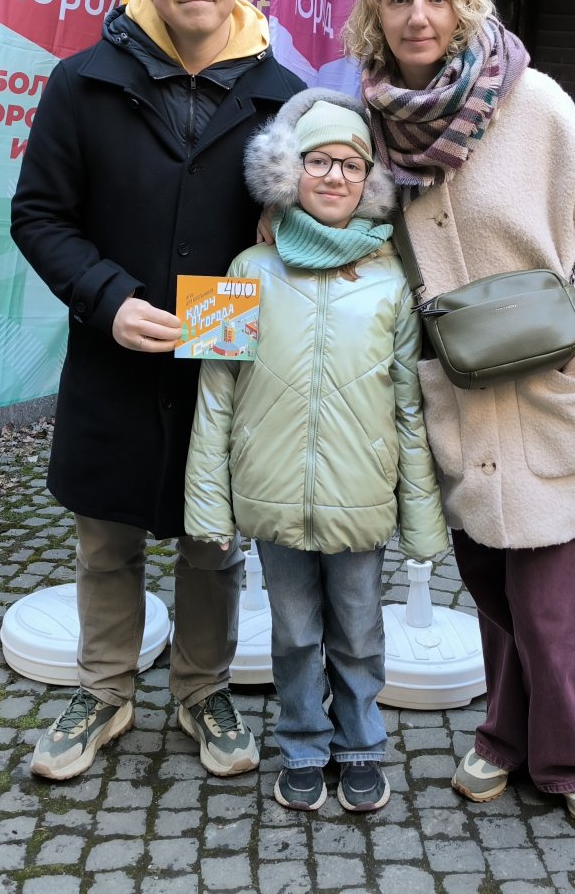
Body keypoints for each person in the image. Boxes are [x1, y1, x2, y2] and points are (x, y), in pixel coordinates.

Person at [339, 0, 575, 830]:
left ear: (465, 3)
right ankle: (504, 737)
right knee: (493, 589)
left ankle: (570, 760)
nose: (419, 16)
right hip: (460, 403)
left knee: (550, 606)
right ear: (376, 13)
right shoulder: (371, 126)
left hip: (556, 396)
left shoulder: (532, 103)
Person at [10, 0, 305, 782]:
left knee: (213, 543)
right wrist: (106, 298)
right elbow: (39, 215)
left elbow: (315, 224)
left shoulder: (285, 99)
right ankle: (104, 689)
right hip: (117, 355)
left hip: (224, 363)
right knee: (106, 539)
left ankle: (201, 688)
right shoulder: (84, 83)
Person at [182, 90, 447, 813]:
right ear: (287, 172)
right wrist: (207, 505)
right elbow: (215, 394)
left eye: (351, 165)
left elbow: (408, 408)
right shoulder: (243, 269)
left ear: (370, 182)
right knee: (295, 633)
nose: (334, 176)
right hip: (269, 495)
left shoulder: (394, 284)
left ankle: (361, 743)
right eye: (318, 161)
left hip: (361, 499)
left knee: (358, 632)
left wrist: (423, 521)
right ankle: (302, 743)